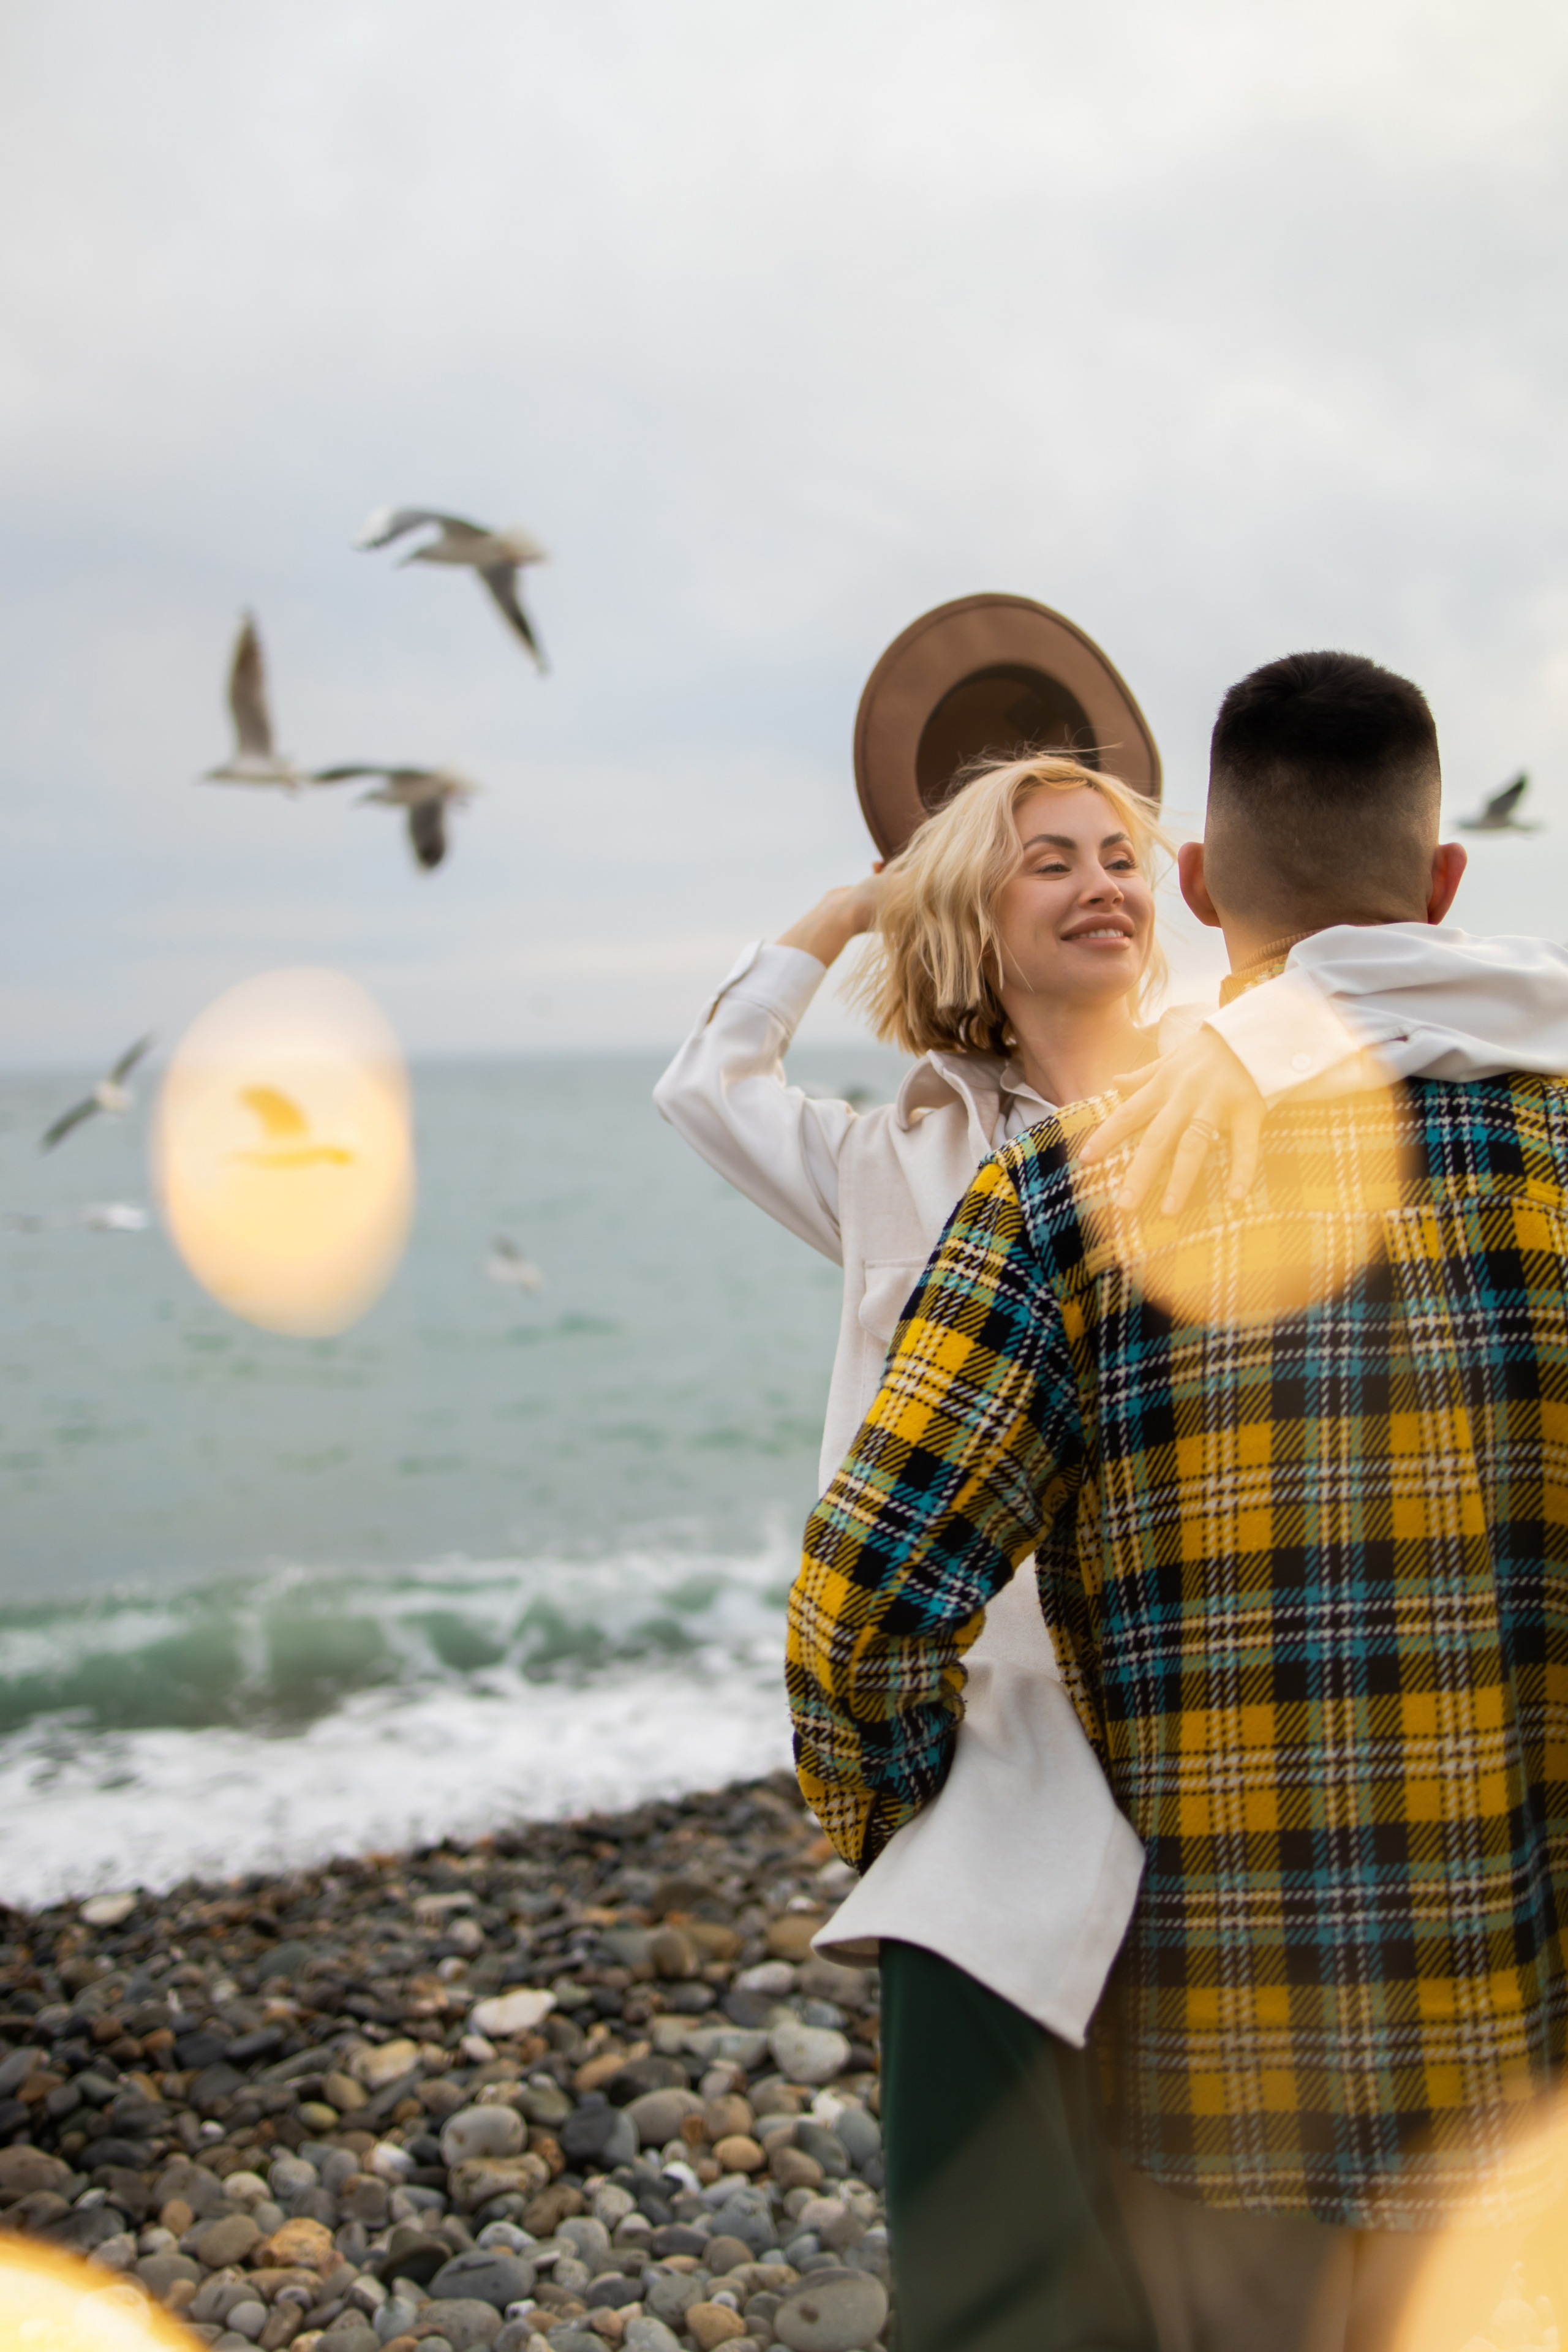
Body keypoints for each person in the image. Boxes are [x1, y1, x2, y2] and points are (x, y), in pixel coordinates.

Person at [657, 743, 1568, 2350]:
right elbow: (707, 1089)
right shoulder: (906, 1165)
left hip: (1229, 1703)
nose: (1101, 883)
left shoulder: (1253, 1077)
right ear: (966, 918)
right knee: (1051, 2248)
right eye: (1049, 860)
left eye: (1121, 854)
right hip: (1006, 1737)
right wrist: (851, 904)